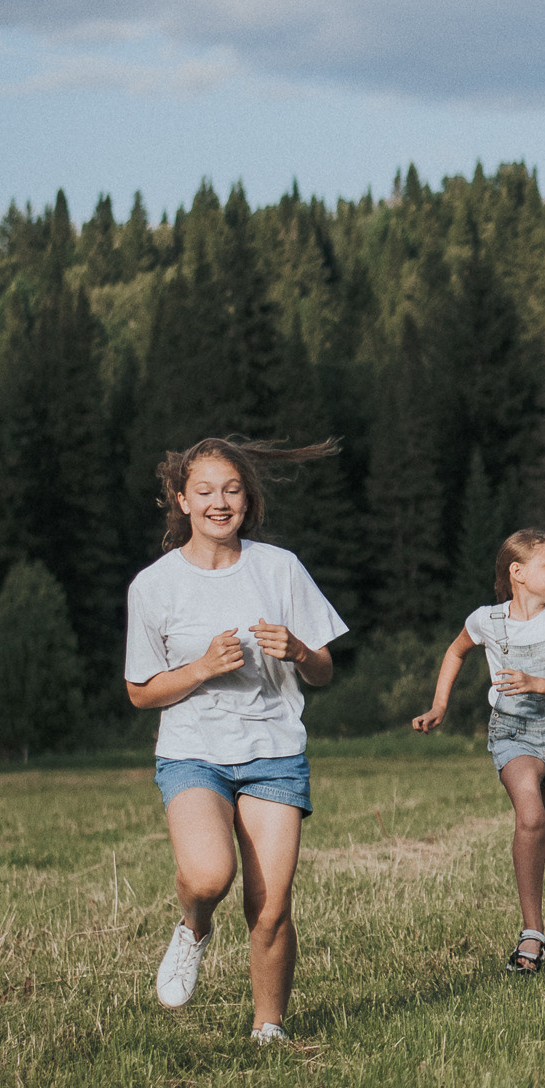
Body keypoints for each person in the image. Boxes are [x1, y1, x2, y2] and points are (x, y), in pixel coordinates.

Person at [125, 436, 348, 1044]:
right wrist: (200, 667)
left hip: (274, 751)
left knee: (270, 905)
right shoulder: (154, 585)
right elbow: (141, 692)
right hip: (193, 752)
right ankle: (194, 927)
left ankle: (268, 1028)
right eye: (205, 491)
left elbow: (324, 668)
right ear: (182, 500)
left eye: (231, 490)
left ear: (246, 498)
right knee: (207, 877)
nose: (220, 503)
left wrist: (300, 651)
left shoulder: (280, 568)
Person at [410, 529, 545, 973]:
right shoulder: (486, 621)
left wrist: (536, 683)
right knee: (530, 815)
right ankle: (532, 932)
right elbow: (455, 652)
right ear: (518, 572)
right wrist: (439, 705)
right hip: (513, 734)